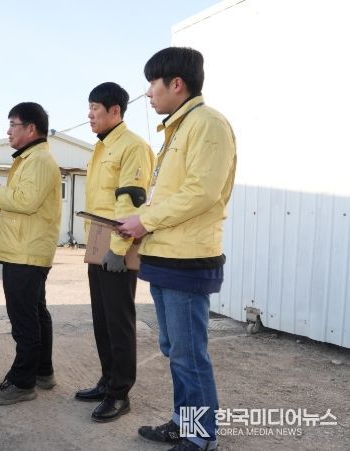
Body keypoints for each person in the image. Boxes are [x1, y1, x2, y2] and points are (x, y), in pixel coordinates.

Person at [118, 47, 237, 451]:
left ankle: (201, 436)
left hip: (187, 259)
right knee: (174, 349)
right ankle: (184, 423)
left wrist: (146, 220)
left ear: (177, 84)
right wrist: (139, 220)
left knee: (188, 354)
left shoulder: (207, 124)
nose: (148, 92)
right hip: (165, 255)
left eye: (153, 82)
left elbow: (202, 192)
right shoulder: (178, 129)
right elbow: (168, 195)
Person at [0, 102, 62, 405]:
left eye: (12, 124)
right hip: (27, 249)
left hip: (25, 252)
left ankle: (22, 382)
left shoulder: (38, 160)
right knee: (36, 314)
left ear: (30, 128)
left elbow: (25, 201)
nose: (8, 131)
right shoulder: (31, 158)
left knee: (24, 321)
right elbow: (19, 200)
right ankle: (43, 371)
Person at [74, 82, 154, 422]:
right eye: (90, 108)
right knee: (102, 318)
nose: (90, 114)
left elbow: (131, 200)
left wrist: (119, 250)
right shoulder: (102, 146)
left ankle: (120, 393)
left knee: (119, 321)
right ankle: (107, 381)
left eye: (95, 108)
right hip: (98, 241)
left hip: (117, 244)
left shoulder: (133, 146)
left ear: (115, 110)